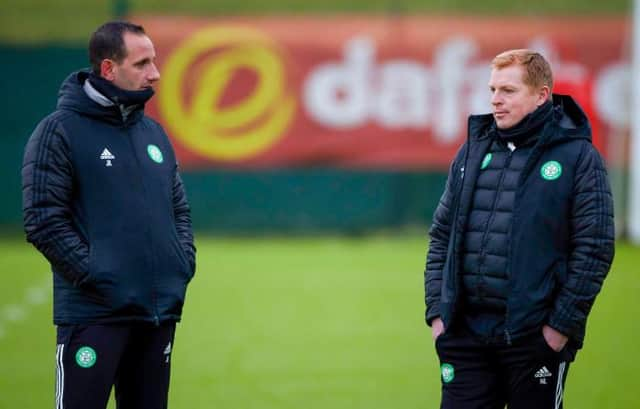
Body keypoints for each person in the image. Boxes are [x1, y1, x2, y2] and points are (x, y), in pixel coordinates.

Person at [424, 49, 614, 408]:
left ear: (541, 96)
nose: (495, 100)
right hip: (465, 339)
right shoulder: (471, 152)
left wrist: (558, 330)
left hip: (533, 340)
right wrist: (438, 313)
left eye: (508, 91)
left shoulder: (578, 159)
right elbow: (441, 236)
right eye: (492, 89)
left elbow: (595, 247)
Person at [22, 21, 196, 409]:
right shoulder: (59, 131)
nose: (155, 73)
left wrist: (181, 264)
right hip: (95, 315)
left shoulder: (153, 133)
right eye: (142, 63)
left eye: (154, 60)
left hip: (157, 313)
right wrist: (97, 277)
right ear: (108, 69)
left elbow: (178, 209)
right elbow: (43, 219)